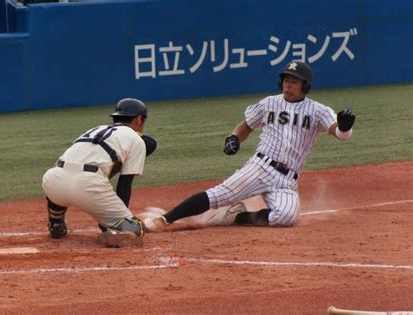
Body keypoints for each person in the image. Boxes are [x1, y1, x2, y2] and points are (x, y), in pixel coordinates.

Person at [145, 61, 356, 231]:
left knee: (286, 217)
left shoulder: (318, 111)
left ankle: (237, 216)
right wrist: (234, 138)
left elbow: (340, 134)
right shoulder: (269, 103)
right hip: (260, 167)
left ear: (306, 86)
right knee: (220, 194)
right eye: (285, 80)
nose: (288, 85)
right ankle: (164, 220)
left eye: (294, 81)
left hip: (286, 180)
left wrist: (345, 127)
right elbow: (246, 125)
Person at [42, 98, 157, 247]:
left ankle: (56, 224)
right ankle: (115, 231)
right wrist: (117, 219)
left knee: (62, 179)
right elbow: (125, 184)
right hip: (87, 185)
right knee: (136, 228)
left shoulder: (95, 130)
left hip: (53, 180)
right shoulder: (136, 139)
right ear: (139, 119)